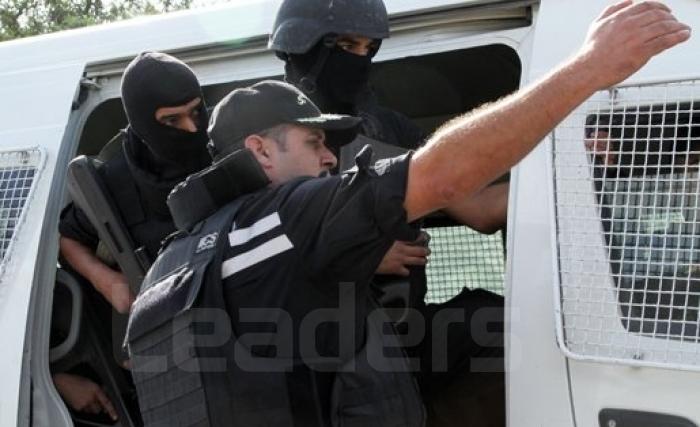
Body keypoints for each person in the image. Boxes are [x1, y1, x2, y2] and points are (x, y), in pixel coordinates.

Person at [127, 2, 690, 426]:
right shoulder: (292, 217)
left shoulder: (179, 262)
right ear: (259, 150)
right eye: (313, 142)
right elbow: (445, 176)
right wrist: (588, 69)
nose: (329, 157)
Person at [56, 51, 211, 420]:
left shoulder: (220, 149)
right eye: (172, 120)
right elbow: (67, 239)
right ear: (142, 123)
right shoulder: (114, 180)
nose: (191, 129)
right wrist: (107, 281)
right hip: (162, 356)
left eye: (196, 112)